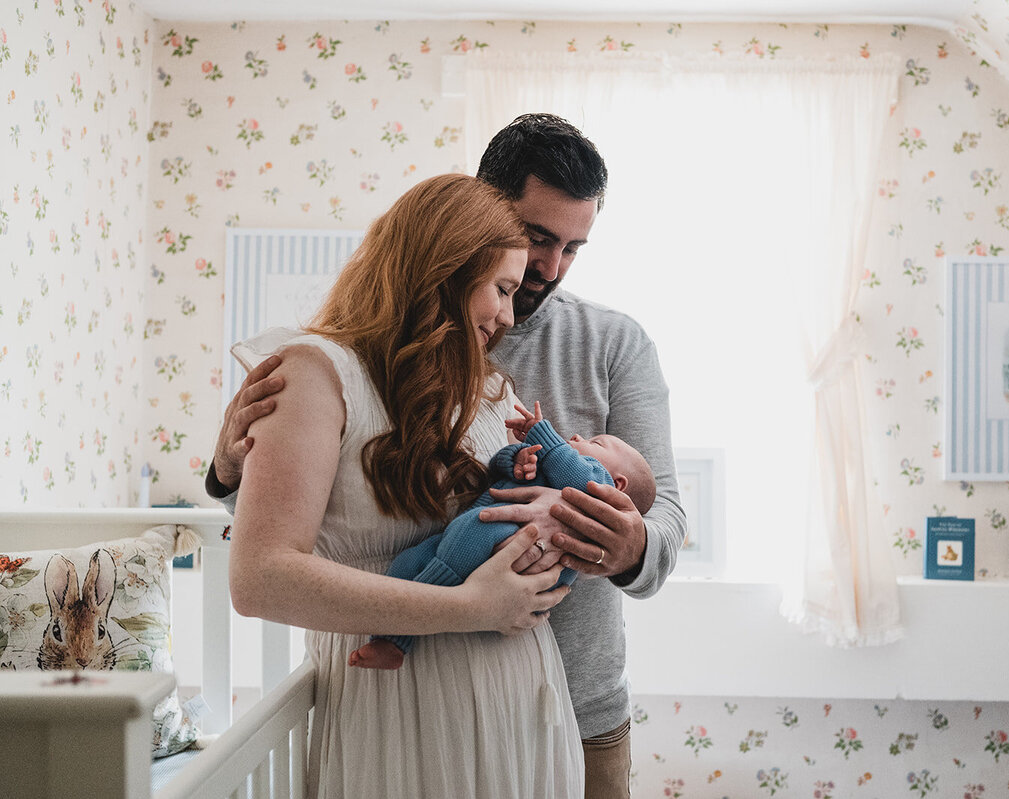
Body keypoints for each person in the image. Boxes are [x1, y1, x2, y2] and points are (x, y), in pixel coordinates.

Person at [208, 114, 688, 798]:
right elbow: (314, 519)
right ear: (478, 216)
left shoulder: (606, 346)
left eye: (574, 248)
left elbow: (660, 507)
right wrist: (228, 470)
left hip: (572, 699)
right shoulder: (360, 361)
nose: (547, 271)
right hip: (407, 700)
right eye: (536, 241)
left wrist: (617, 533)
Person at [225, 173, 584, 797]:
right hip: (396, 710)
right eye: (500, 289)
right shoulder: (316, 373)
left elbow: (507, 504)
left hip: (520, 705)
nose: (506, 316)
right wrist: (469, 607)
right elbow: (260, 578)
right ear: (444, 268)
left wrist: (554, 508)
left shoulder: (485, 390)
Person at [349, 401, 657, 670]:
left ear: (618, 485)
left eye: (595, 443)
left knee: (451, 559)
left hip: (508, 547)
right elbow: (497, 471)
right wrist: (518, 460)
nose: (578, 437)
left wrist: (545, 437)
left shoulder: (596, 484)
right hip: (478, 531)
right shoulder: (553, 468)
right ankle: (388, 640)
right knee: (409, 560)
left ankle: (406, 629)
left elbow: (577, 479)